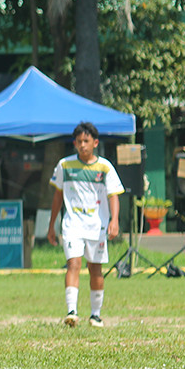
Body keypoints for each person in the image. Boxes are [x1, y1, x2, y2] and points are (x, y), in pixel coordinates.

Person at [47, 122, 124, 328]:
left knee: (95, 268)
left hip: (96, 227)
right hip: (72, 225)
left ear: (95, 143)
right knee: (73, 264)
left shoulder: (105, 167)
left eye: (86, 141)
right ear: (74, 143)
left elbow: (114, 196)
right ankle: (71, 312)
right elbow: (57, 196)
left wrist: (114, 220)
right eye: (79, 141)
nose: (82, 145)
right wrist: (51, 225)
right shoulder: (64, 165)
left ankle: (95, 315)